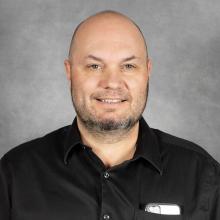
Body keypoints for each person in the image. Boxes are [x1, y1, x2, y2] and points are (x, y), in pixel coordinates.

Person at [0, 10, 219, 220]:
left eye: (129, 66)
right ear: (69, 71)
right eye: (94, 66)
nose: (112, 82)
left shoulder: (204, 177)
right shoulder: (13, 175)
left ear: (147, 71)